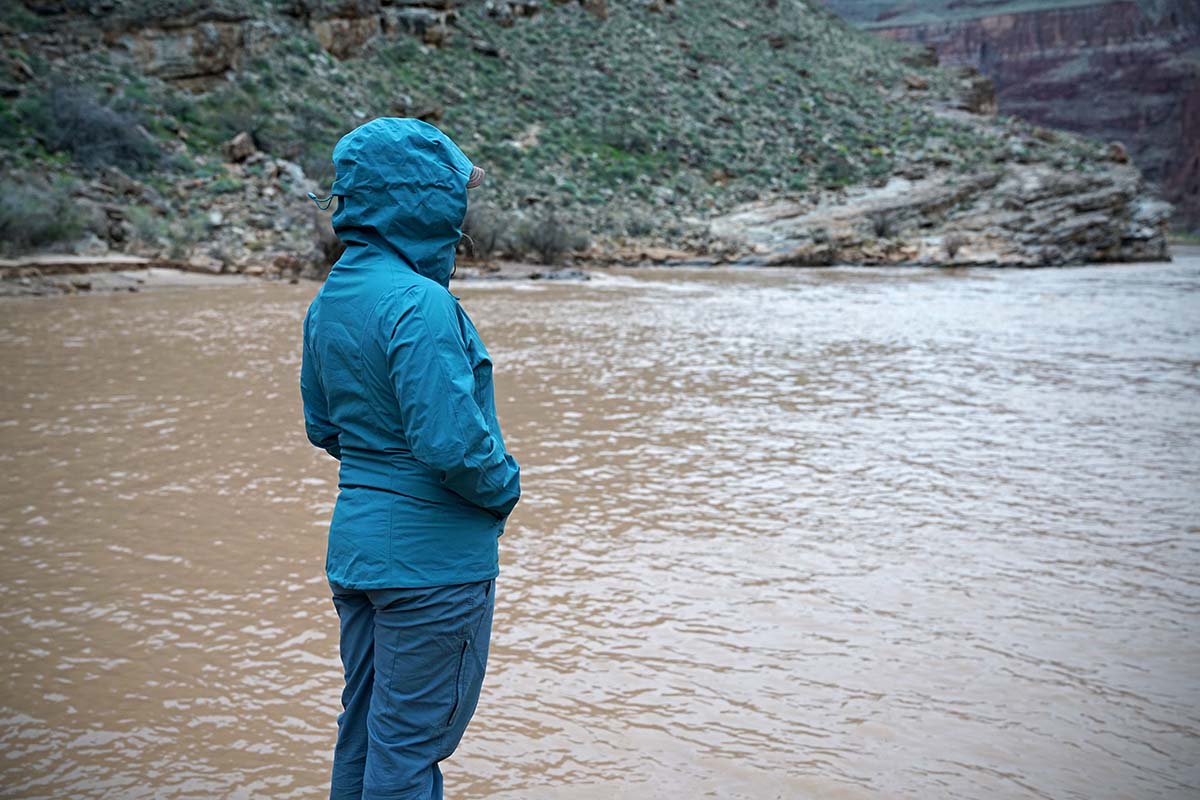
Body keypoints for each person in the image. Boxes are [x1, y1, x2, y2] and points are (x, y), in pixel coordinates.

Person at [299, 117, 521, 800]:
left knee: (366, 736)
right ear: (423, 199)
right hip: (432, 566)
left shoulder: (331, 297)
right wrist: (504, 486)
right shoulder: (421, 303)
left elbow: (323, 427)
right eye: (455, 192)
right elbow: (449, 443)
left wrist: (381, 472)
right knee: (409, 753)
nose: (463, 208)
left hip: (359, 551)